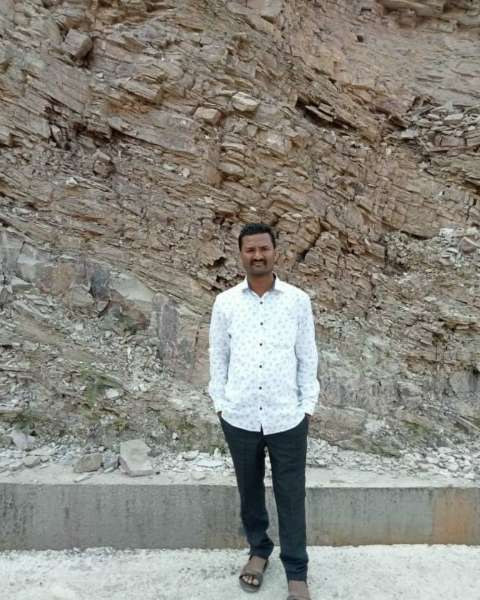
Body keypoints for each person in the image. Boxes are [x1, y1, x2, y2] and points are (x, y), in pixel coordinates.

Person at [208, 222, 320, 600]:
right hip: (239, 415)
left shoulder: (297, 301)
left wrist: (306, 407)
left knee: (292, 495)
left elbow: (307, 357)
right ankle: (258, 551)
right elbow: (218, 356)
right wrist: (220, 403)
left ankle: (297, 571)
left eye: (264, 249)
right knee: (249, 490)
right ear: (241, 254)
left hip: (287, 417)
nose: (257, 255)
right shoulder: (225, 303)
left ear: (275, 252)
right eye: (250, 250)